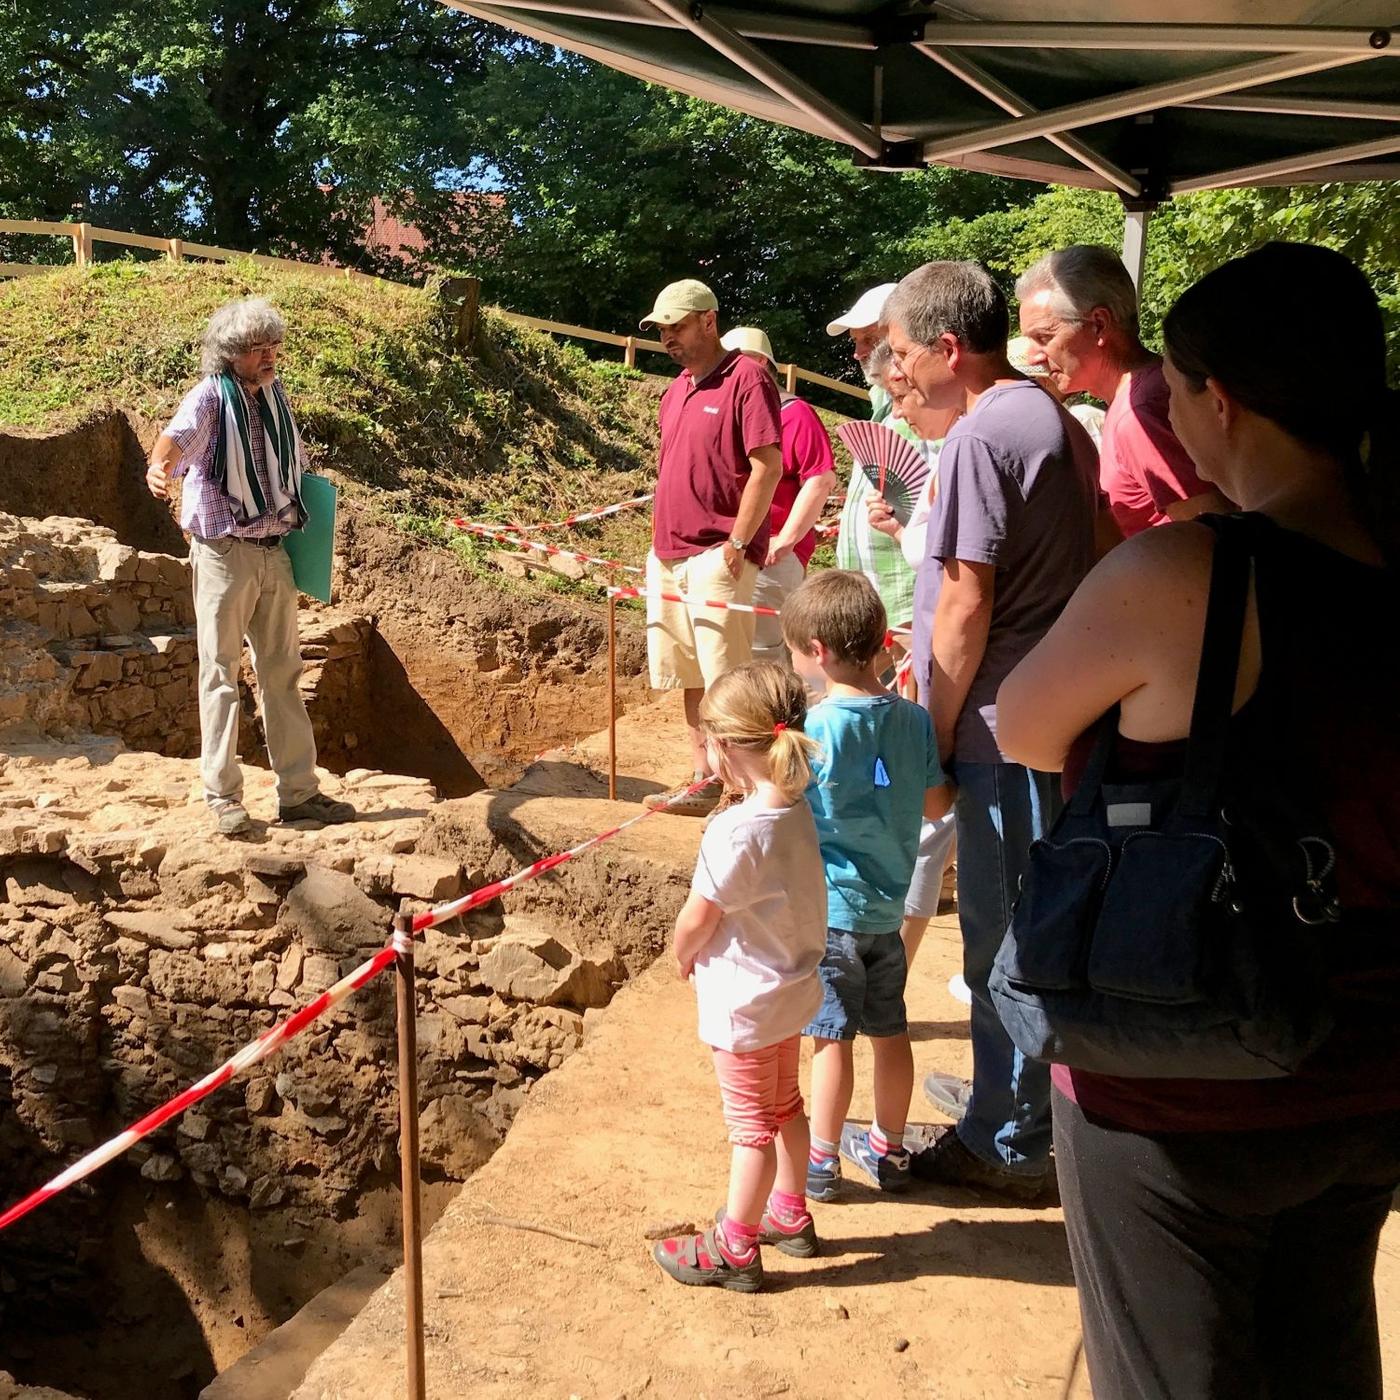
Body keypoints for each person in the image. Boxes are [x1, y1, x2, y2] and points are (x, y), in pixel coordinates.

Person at [997, 242, 1400, 1400]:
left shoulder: (1189, 574)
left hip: (1178, 1069)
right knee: (1324, 1350)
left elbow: (1026, 726)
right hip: (1364, 1063)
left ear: (1215, 398)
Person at [882, 261, 1098, 1196]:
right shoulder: (1046, 419)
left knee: (1001, 933)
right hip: (1041, 718)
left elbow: (964, 606)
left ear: (946, 349)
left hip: (999, 731)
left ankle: (1008, 1143)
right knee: (1019, 921)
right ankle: (1003, 1104)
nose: (893, 372)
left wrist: (929, 732)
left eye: (899, 354)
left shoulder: (980, 440)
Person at [145, 298, 355, 838]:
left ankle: (299, 794)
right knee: (219, 672)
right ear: (231, 354)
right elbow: (175, 437)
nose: (270, 356)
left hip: (273, 551)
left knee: (282, 671)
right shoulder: (212, 397)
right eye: (258, 349)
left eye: (274, 346)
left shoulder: (275, 396)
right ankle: (222, 796)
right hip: (224, 553)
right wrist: (159, 467)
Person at [652, 662, 828, 1293]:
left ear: (721, 747)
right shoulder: (797, 808)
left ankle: (734, 1248)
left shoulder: (735, 829)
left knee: (749, 1128)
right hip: (788, 990)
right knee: (786, 1105)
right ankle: (790, 1211)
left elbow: (698, 918)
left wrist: (681, 952)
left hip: (745, 1003)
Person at [781, 570, 952, 1198]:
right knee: (891, 1032)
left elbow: (785, 804)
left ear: (818, 653)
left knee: (830, 1041)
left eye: (796, 653)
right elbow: (937, 805)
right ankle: (889, 1149)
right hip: (889, 913)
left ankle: (821, 1161)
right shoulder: (914, 721)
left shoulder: (816, 728)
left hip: (834, 915)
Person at [638, 280, 784, 818]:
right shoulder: (677, 389)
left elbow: (767, 465)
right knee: (690, 675)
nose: (668, 338)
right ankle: (703, 779)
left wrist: (739, 541)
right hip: (670, 553)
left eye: (677, 326)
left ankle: (742, 788)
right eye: (662, 330)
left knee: (728, 677)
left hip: (716, 553)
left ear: (709, 320)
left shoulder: (745, 377)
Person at [1016, 245, 1230, 538]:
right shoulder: (1149, 389)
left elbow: (1217, 539)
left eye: (1044, 337)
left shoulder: (1140, 413)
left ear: (1099, 325)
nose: (1032, 357)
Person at [863, 352, 961, 968]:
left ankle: (891, 971)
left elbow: (967, 591)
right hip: (933, 657)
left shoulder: (966, 448)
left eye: (901, 395)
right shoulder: (948, 449)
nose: (897, 412)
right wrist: (901, 531)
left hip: (949, 670)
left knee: (929, 828)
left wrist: (937, 721)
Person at [719, 327, 838, 664]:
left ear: (757, 363)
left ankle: (775, 717)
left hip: (769, 556)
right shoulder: (746, 417)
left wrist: (785, 540)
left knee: (763, 654)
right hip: (739, 550)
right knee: (739, 651)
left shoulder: (795, 415)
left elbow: (820, 479)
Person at [827, 284, 919, 637]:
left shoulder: (922, 409)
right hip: (874, 595)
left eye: (867, 339)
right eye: (855, 341)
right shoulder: (881, 409)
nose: (857, 353)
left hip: (904, 593)